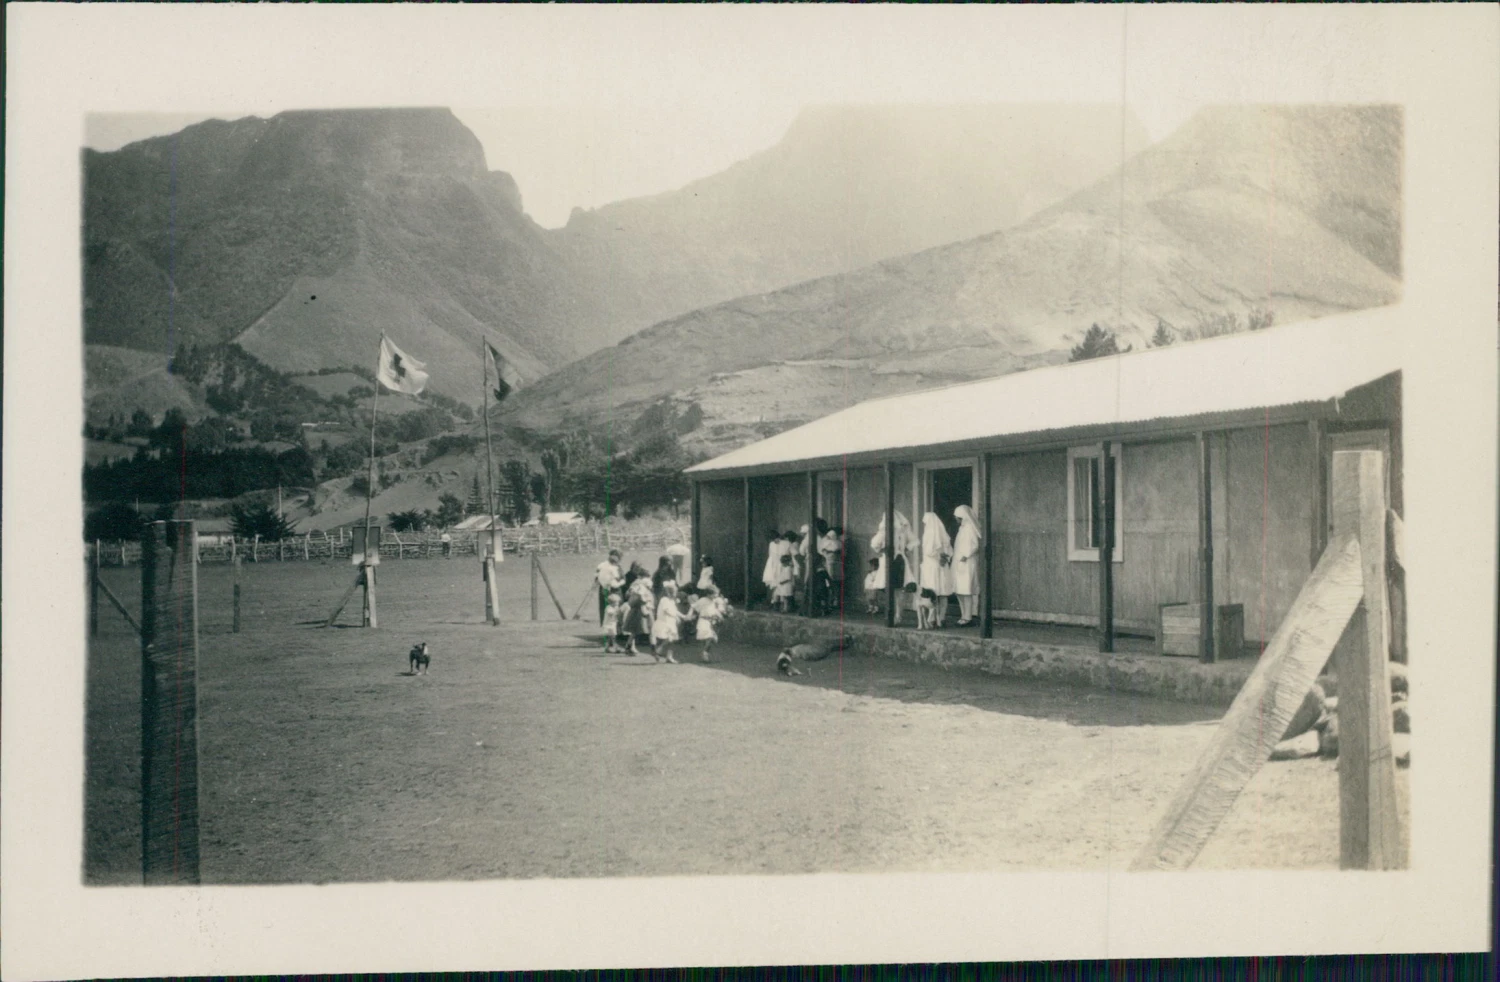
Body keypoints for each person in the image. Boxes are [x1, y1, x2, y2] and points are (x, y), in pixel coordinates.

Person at [871, 511, 920, 623]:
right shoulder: (903, 529)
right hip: (899, 559)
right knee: (898, 590)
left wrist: (881, 550)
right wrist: (905, 549)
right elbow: (915, 541)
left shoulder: (885, 530)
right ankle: (898, 616)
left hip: (891, 560)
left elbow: (874, 543)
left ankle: (893, 616)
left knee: (892, 589)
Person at [920, 511, 955, 628]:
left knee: (932, 593)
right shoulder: (943, 535)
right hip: (942, 566)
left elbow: (929, 552)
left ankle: (932, 618)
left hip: (931, 567)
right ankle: (942, 617)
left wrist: (938, 557)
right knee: (942, 592)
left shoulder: (929, 534)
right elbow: (949, 551)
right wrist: (944, 557)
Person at [952, 504, 983, 625]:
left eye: (957, 517)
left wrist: (965, 555)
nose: (956, 519)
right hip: (958, 562)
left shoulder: (970, 528)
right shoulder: (962, 528)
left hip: (967, 562)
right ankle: (963, 615)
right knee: (959, 590)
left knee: (966, 589)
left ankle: (968, 616)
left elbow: (975, 545)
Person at [620, 563, 653, 655]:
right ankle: (653, 647)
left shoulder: (636, 583)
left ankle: (630, 645)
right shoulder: (641, 583)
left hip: (635, 607)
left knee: (635, 629)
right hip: (639, 608)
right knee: (639, 628)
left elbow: (628, 593)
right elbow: (641, 593)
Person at [691, 585, 729, 662]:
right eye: (714, 594)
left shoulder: (713, 601)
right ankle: (705, 653)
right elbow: (694, 607)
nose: (716, 596)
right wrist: (690, 615)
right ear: (708, 594)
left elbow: (715, 610)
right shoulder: (702, 600)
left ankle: (705, 653)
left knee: (713, 639)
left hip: (711, 622)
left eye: (717, 594)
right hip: (703, 621)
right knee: (710, 637)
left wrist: (720, 616)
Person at [651, 581, 687, 664]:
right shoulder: (664, 600)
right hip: (664, 622)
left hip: (670, 623)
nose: (675, 594)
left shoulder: (672, 601)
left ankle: (669, 656)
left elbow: (675, 611)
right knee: (668, 639)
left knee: (672, 640)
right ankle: (658, 650)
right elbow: (667, 611)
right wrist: (676, 616)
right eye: (674, 592)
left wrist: (683, 616)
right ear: (668, 592)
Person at [595, 549, 625, 626]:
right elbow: (621, 578)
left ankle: (605, 626)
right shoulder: (616, 567)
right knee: (615, 608)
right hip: (614, 590)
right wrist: (620, 582)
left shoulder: (601, 565)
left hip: (603, 589)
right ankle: (616, 628)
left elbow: (596, 578)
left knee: (604, 608)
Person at [761, 529, 785, 607]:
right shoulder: (771, 544)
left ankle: (780, 602)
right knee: (774, 584)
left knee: (781, 583)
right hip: (773, 564)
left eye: (776, 538)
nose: (775, 540)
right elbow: (771, 555)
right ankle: (775, 602)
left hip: (781, 564)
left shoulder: (783, 543)